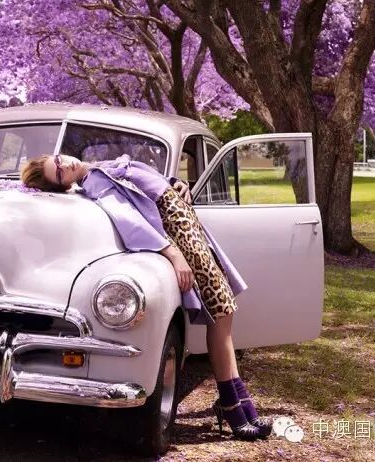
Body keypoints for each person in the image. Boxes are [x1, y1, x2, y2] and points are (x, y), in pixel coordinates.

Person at [20, 153, 272, 440]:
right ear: (64, 185)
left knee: (224, 314)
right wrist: (173, 254)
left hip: (188, 224)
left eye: (59, 160)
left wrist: (175, 183)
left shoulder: (100, 167)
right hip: (179, 234)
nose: (65, 165)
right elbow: (130, 221)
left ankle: (238, 404)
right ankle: (233, 406)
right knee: (221, 313)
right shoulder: (94, 183)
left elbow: (147, 183)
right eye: (59, 173)